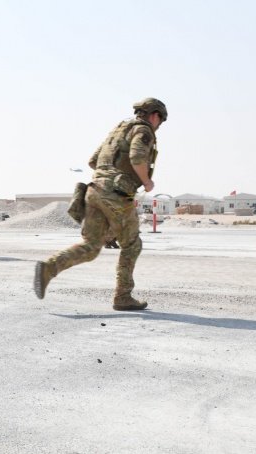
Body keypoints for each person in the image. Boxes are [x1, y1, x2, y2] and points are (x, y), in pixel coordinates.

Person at [34, 98, 167, 310]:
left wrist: (108, 175)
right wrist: (146, 181)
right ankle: (123, 296)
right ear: (155, 115)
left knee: (90, 247)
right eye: (160, 120)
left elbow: (93, 161)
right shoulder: (144, 130)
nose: (159, 125)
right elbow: (136, 157)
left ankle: (48, 268)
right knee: (132, 245)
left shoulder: (118, 130)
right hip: (115, 194)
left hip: (94, 191)